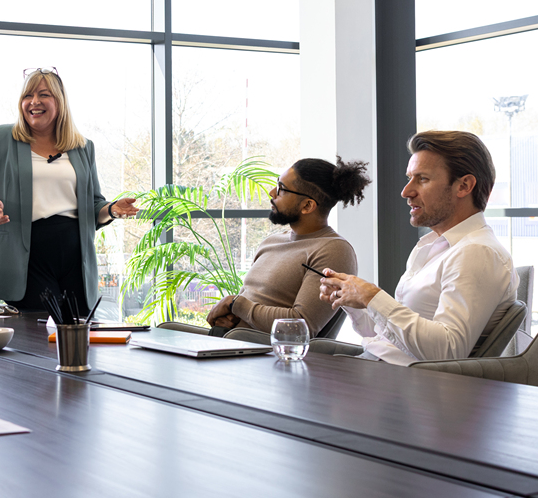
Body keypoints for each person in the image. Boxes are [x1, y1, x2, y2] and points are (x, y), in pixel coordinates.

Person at [318, 130, 518, 365]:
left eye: (422, 179)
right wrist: (355, 301)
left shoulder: (477, 253)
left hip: (404, 386)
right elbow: (388, 337)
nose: (406, 191)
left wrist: (372, 297)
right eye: (409, 178)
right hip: (380, 368)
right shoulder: (433, 247)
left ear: (464, 186)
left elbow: (447, 351)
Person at [0, 67, 139, 313]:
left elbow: (94, 206)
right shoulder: (0, 138)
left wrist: (112, 210)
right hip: (26, 257)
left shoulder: (83, 147)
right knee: (36, 337)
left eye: (44, 95)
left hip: (76, 258)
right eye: (27, 96)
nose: (34, 102)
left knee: (76, 337)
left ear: (60, 102)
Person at [204, 157, 371, 338]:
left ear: (307, 205)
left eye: (282, 189)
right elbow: (249, 306)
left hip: (269, 357)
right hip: (234, 342)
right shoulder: (271, 242)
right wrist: (233, 317)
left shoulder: (333, 250)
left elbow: (301, 325)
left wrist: (234, 304)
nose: (272, 192)